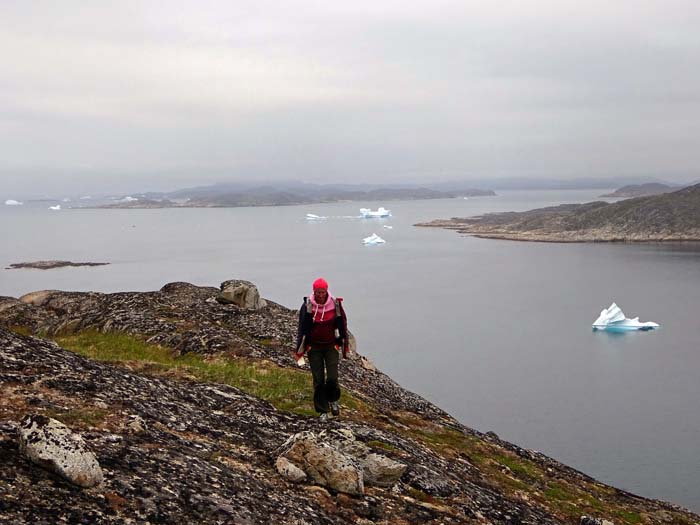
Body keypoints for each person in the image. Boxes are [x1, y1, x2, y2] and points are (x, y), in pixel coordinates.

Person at [295, 277, 349, 420]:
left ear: (326, 291)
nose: (320, 295)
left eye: (323, 292)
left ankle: (333, 400)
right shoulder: (307, 306)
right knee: (318, 380)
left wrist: (343, 345)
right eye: (318, 292)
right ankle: (322, 410)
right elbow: (302, 327)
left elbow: (342, 324)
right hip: (314, 348)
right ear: (314, 291)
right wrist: (299, 349)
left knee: (332, 377)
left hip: (331, 346)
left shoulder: (335, 304)